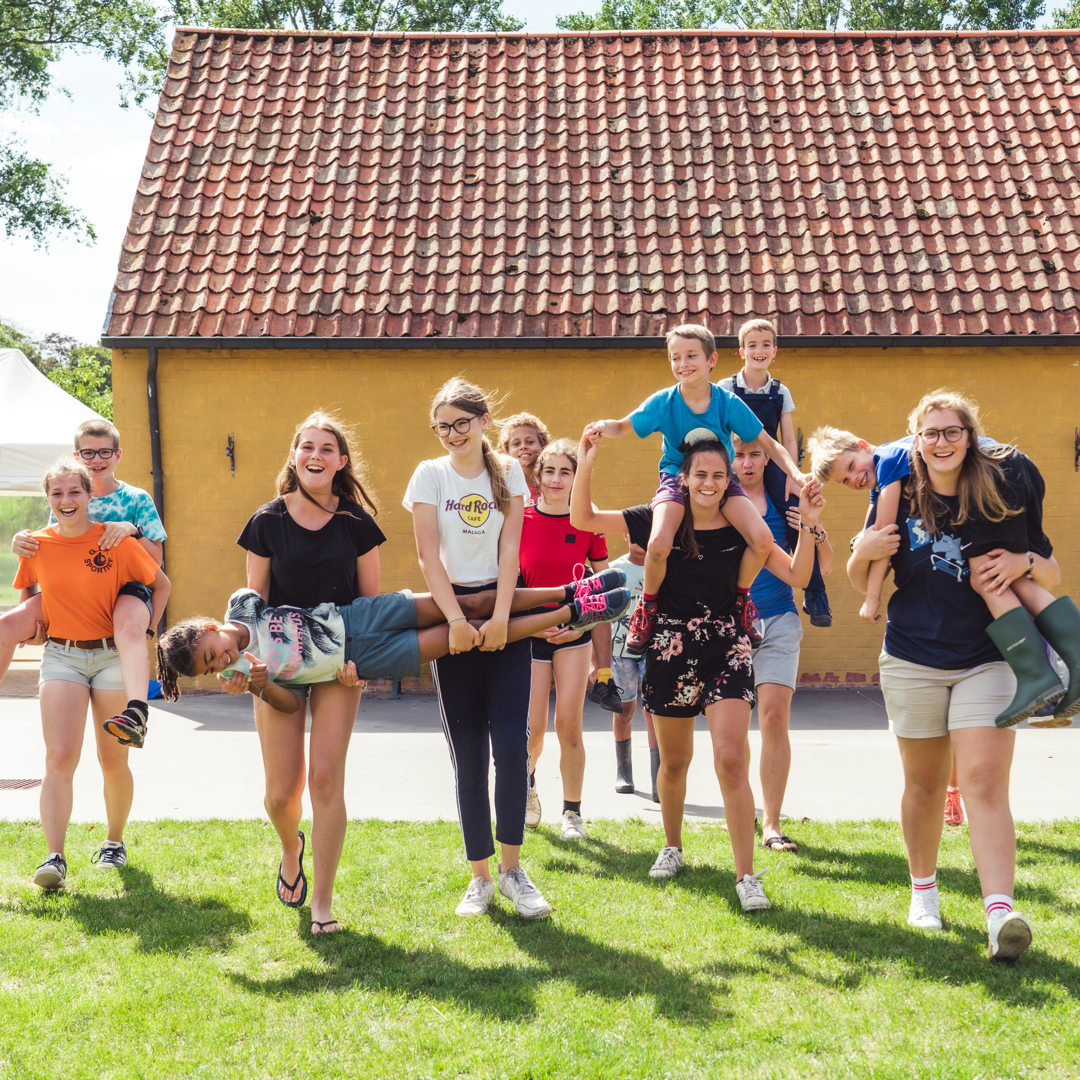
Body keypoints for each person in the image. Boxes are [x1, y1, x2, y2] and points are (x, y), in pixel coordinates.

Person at [846, 390, 1073, 960]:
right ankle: (924, 893)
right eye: (931, 433)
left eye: (952, 431)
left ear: (970, 437)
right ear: (915, 440)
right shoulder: (897, 490)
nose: (941, 442)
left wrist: (1023, 561)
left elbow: (1051, 572)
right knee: (924, 785)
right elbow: (862, 579)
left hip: (988, 657)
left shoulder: (998, 486)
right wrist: (861, 550)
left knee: (984, 783)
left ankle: (1000, 914)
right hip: (913, 657)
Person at [572, 429, 825, 912]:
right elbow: (582, 518)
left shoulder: (743, 526)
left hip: (727, 643)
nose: (709, 483)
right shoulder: (657, 519)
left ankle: (746, 875)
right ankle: (673, 845)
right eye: (700, 475)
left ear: (729, 480)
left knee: (731, 758)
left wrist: (810, 525)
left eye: (718, 475)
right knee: (674, 762)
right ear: (683, 479)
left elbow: (797, 574)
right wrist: (587, 461)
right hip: (668, 644)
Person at [810, 400, 1079, 727]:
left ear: (865, 446)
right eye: (844, 480)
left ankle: (1039, 676)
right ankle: (1046, 674)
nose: (854, 478)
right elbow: (872, 537)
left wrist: (871, 594)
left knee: (985, 576)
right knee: (1002, 576)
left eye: (852, 466)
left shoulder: (890, 461)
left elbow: (884, 528)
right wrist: (861, 548)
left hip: (995, 472)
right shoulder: (889, 471)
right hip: (1017, 467)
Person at [404, 378, 549, 918]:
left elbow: (511, 548)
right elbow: (428, 556)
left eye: (461, 423)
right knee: (467, 755)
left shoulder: (508, 472)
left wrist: (504, 617)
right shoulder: (429, 474)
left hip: (503, 609)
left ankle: (513, 872)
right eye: (442, 426)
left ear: (484, 421)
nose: (451, 434)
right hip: (452, 615)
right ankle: (480, 878)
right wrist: (455, 621)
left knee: (511, 746)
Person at [236, 412, 384, 935]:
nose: (315, 456)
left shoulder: (357, 523)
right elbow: (252, 603)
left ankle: (322, 902)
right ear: (294, 456)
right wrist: (243, 662)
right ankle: (290, 847)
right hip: (279, 666)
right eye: (307, 447)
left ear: (341, 461)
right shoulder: (267, 520)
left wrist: (361, 664)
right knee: (281, 794)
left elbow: (369, 606)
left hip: (336, 665)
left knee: (324, 779)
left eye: (326, 449)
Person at [585, 323, 814, 657]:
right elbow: (621, 426)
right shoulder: (664, 402)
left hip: (721, 480)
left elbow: (769, 444)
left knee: (763, 540)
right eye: (675, 357)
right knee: (659, 543)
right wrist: (600, 427)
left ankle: (741, 600)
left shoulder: (726, 402)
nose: (683, 363)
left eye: (691, 355)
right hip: (675, 478)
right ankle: (647, 607)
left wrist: (796, 474)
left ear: (712, 360)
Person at [14, 460, 169, 888]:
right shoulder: (36, 544)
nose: (66, 500)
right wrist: (32, 625)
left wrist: (144, 630)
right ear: (48, 499)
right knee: (59, 758)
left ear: (89, 496)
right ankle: (54, 858)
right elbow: (28, 589)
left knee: (112, 760)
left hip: (111, 657)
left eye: (74, 492)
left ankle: (114, 842)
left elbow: (161, 585)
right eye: (57, 493)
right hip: (61, 657)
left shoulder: (114, 540)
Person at [156, 579, 627, 701]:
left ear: (210, 628)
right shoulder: (247, 674)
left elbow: (246, 596)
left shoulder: (239, 612)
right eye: (213, 669)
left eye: (213, 654)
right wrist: (257, 685)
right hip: (364, 658)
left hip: (358, 616)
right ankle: (578, 613)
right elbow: (290, 706)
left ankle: (572, 589)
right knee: (468, 637)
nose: (222, 662)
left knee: (470, 602)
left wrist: (238, 632)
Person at [5, 419, 167, 748]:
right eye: (88, 453)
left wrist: (132, 530)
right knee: (7, 625)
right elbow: (51, 550)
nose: (96, 459)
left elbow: (156, 562)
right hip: (79, 587)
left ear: (117, 455)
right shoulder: (67, 495)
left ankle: (137, 711)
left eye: (104, 452)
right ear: (76, 456)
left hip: (126, 588)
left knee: (128, 625)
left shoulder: (136, 498)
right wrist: (20, 540)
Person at [732, 436, 834, 852]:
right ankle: (742, 811)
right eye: (739, 455)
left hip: (779, 620)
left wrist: (812, 527)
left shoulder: (784, 501)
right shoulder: (720, 501)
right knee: (734, 727)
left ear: (767, 459)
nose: (747, 462)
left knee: (774, 719)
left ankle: (772, 824)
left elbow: (819, 569)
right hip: (732, 624)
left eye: (755, 454)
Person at [519, 438, 611, 839]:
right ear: (538, 476)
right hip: (529, 634)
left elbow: (605, 586)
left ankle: (572, 814)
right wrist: (532, 624)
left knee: (569, 724)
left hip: (574, 633)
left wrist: (582, 624)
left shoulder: (587, 521)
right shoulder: (518, 519)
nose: (557, 479)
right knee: (533, 728)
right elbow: (507, 584)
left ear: (576, 477)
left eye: (565, 472)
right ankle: (526, 788)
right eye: (550, 471)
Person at [719, 319, 832, 628]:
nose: (759, 350)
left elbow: (788, 439)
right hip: (735, 461)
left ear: (775, 351)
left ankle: (815, 591)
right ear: (742, 351)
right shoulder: (727, 388)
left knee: (794, 512)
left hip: (769, 461)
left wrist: (793, 477)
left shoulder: (781, 391)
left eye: (766, 345)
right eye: (752, 345)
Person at [605, 537, 661, 799]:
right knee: (624, 709)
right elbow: (600, 615)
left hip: (653, 648)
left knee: (653, 711)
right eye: (633, 531)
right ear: (625, 535)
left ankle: (659, 777)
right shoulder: (614, 570)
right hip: (620, 651)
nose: (639, 537)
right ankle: (623, 770)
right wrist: (597, 660)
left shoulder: (661, 565)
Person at [498, 411, 549, 500]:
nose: (523, 446)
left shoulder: (553, 482)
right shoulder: (504, 486)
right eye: (516, 443)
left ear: (543, 446)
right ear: (507, 452)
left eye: (530, 442)